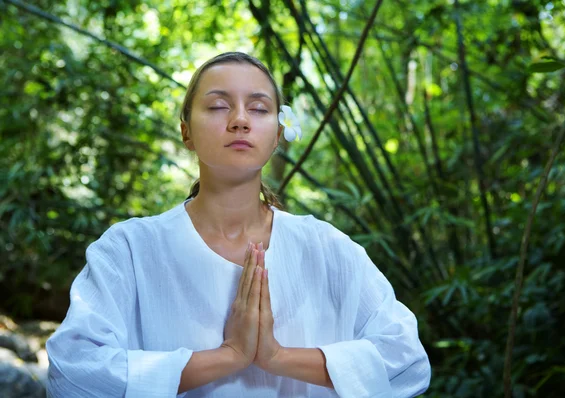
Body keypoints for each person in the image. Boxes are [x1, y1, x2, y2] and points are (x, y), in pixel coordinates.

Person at [46, 52, 431, 397]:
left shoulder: (327, 248)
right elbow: (72, 371)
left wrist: (277, 356)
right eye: (218, 106)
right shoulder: (129, 248)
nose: (240, 120)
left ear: (278, 135)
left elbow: (406, 361)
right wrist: (228, 356)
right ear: (186, 132)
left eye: (260, 109)